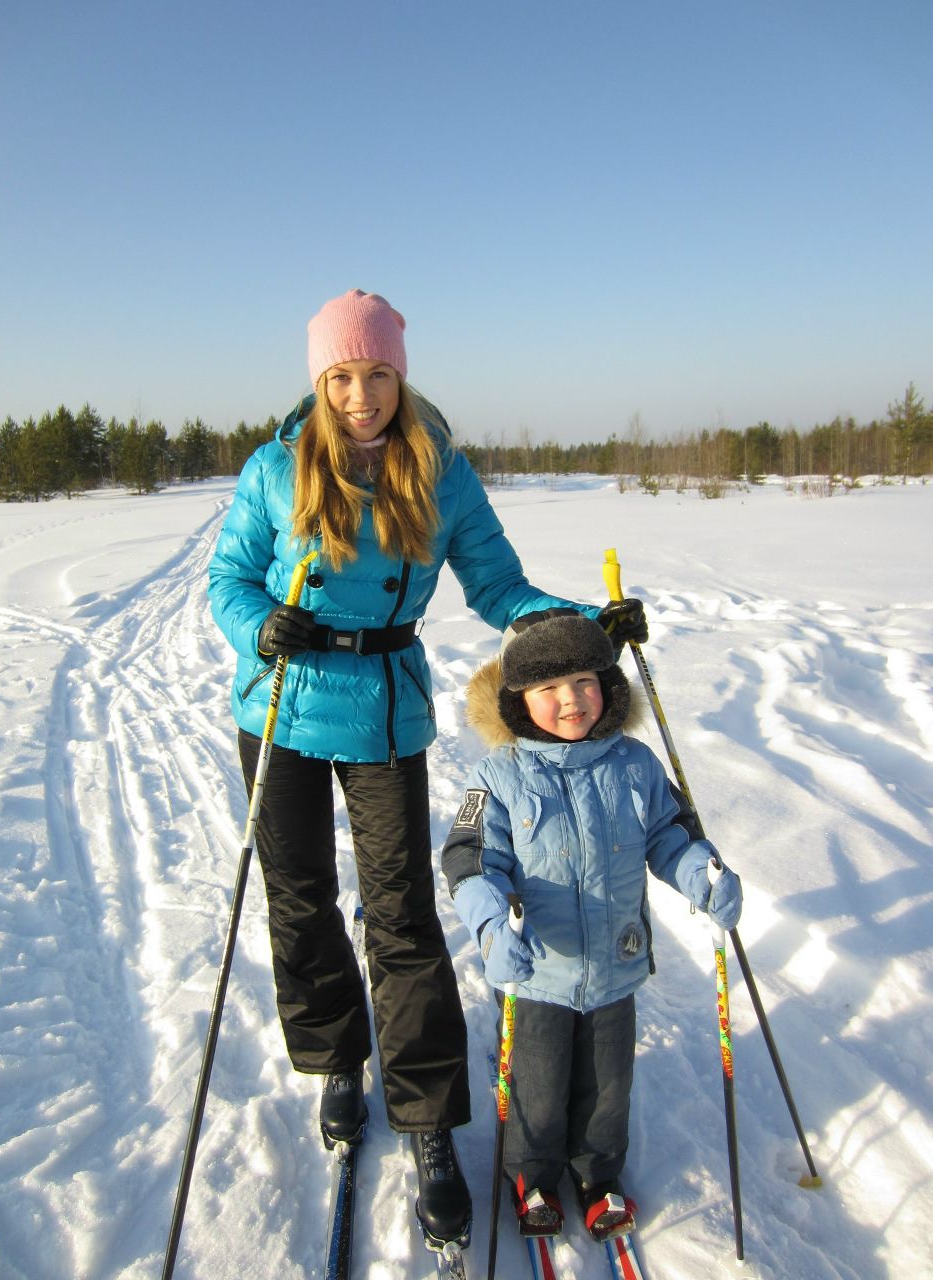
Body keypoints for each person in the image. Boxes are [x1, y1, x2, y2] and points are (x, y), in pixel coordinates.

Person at [207, 288, 648, 1248]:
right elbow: (228, 579)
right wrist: (258, 625)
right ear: (319, 381)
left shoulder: (440, 472)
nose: (360, 395)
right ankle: (336, 1058)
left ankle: (428, 1123)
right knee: (300, 897)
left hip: (383, 707)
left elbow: (497, 584)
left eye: (376, 375)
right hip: (279, 705)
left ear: (400, 375)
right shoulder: (276, 468)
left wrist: (580, 623)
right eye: (341, 377)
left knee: (402, 913)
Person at [441, 608, 742, 1240]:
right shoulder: (499, 776)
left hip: (615, 963)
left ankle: (599, 1174)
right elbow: (470, 860)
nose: (570, 700)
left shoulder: (634, 763)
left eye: (583, 681)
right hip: (539, 969)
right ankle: (532, 1175)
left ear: (607, 686)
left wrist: (701, 874)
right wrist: (491, 925)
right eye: (548, 689)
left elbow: (670, 834)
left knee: (609, 1086)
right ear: (519, 699)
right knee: (540, 1082)